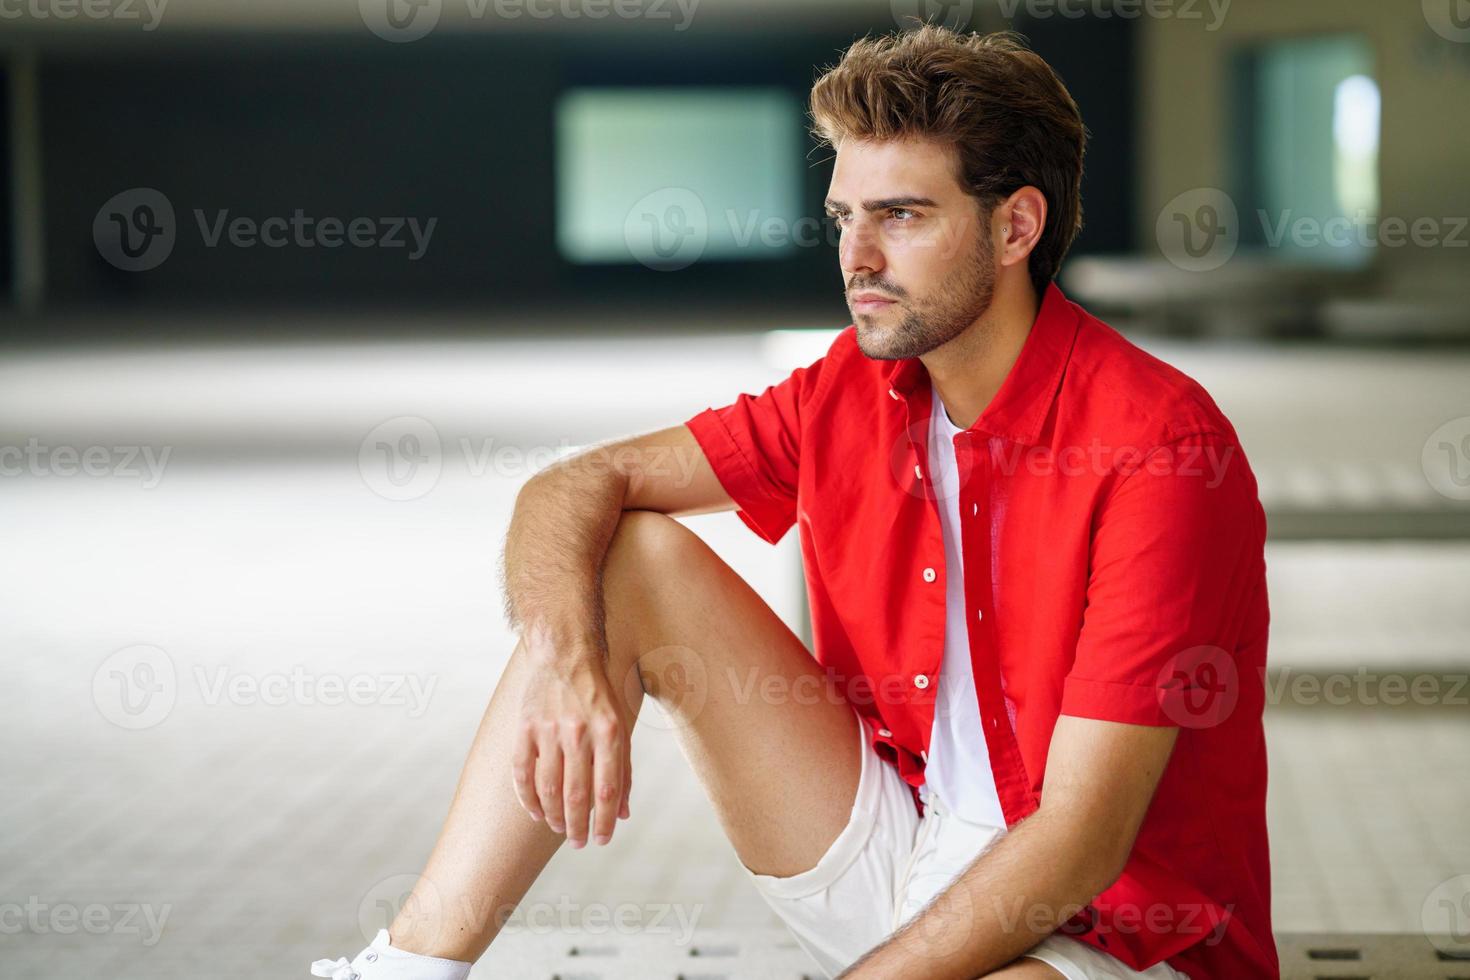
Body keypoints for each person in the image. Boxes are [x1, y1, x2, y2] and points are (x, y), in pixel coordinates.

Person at [310, 24, 1277, 980]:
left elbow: (1081, 841)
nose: (856, 256)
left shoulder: (1157, 447)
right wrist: (568, 664)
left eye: (901, 216)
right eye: (843, 217)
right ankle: (408, 968)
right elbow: (572, 485)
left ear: (1015, 226)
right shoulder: (846, 389)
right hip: (906, 851)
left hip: (1102, 930)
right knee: (628, 556)